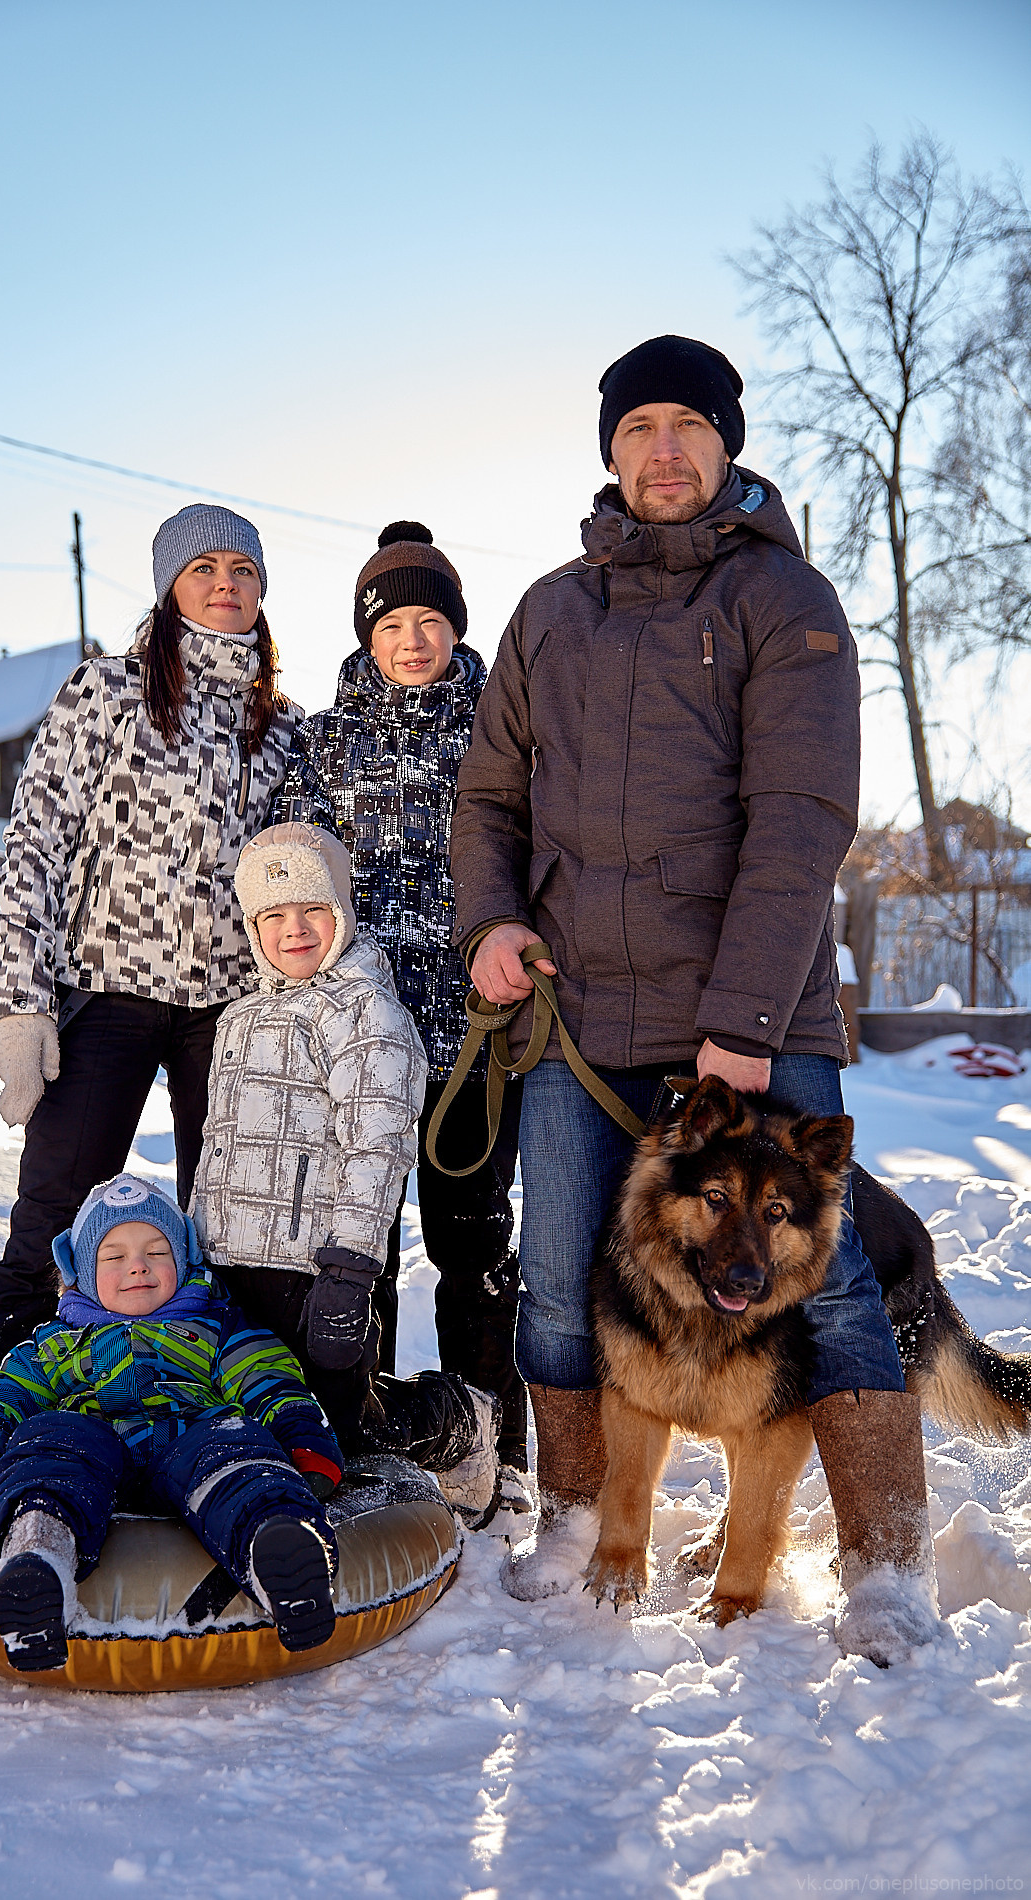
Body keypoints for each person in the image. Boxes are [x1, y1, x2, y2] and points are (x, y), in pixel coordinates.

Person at [451, 335, 937, 1660]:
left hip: (756, 1015)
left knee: (822, 1288)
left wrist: (737, 1026)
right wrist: (490, 920)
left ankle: (884, 1561)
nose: (659, 450)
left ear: (722, 445)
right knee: (556, 1279)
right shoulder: (549, 609)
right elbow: (488, 797)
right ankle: (571, 1515)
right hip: (576, 1018)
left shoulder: (784, 600)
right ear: (607, 451)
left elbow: (798, 818)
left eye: (685, 426)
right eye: (635, 428)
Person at [0, 505, 300, 1469]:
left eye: (243, 569)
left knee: (227, 1237)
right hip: (107, 1000)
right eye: (204, 567)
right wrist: (22, 1007)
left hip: (230, 1015)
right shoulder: (106, 692)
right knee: (48, 1228)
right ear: (170, 585)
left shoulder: (281, 728)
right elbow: (35, 848)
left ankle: (228, 1442)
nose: (226, 584)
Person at [277, 522, 526, 1487]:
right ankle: (360, 1438)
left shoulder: (501, 727)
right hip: (359, 1042)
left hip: (474, 1033)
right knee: (359, 1249)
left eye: (432, 621)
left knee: (473, 1245)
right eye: (394, 624)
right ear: (365, 634)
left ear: (457, 631)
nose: (413, 640)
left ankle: (495, 1452)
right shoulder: (324, 740)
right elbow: (291, 877)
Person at [191, 820, 500, 1523]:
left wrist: (350, 1268)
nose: (293, 930)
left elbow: (377, 1149)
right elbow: (218, 1145)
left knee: (340, 1421)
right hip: (230, 1261)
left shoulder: (367, 1014)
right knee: (261, 1405)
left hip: (315, 1264)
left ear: (342, 913)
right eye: (273, 916)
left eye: (312, 911)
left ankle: (457, 1420)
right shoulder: (240, 1017)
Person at [0, 1173, 342, 1669]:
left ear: (183, 1260)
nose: (138, 1267)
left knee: (237, 1445)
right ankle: (39, 1554)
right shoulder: (56, 1342)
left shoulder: (215, 1327)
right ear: (84, 1273)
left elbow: (268, 1379)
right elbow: (6, 1389)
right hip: (89, 1447)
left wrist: (301, 1436)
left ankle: (278, 1548)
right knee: (49, 1440)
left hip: (192, 1443)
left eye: (157, 1252)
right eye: (114, 1256)